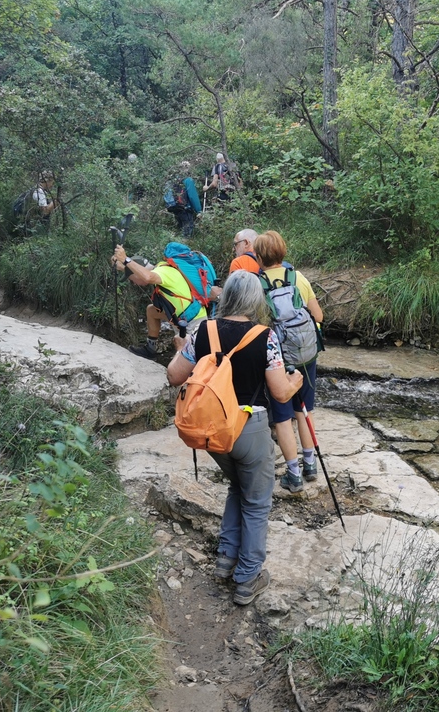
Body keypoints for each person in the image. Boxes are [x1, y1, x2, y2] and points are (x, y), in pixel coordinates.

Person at [167, 271, 303, 605]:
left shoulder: (203, 329)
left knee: (237, 487)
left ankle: (226, 559)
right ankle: (248, 577)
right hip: (249, 428)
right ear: (256, 300)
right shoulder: (265, 336)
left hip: (213, 432)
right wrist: (296, 380)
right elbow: (280, 393)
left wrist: (184, 349)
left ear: (225, 295)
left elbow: (173, 376)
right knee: (257, 503)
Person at [254, 231, 324, 493]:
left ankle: (293, 475)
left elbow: (257, 326)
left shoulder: (256, 283)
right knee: (305, 410)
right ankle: (310, 464)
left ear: (259, 257)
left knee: (282, 417)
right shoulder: (298, 277)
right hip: (306, 354)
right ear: (283, 252)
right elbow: (318, 315)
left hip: (278, 359)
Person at [111, 243, 215, 359]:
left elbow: (148, 277)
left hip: (193, 321)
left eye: (132, 280)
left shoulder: (164, 272)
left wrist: (125, 259)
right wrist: (120, 265)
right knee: (151, 310)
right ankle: (150, 349)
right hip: (181, 317)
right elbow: (141, 273)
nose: (134, 284)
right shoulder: (161, 269)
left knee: (188, 360)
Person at [164, 162, 202, 236]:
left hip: (176, 209)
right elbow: (192, 196)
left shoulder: (175, 180)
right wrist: (199, 210)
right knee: (187, 232)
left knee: (180, 230)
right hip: (186, 209)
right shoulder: (188, 180)